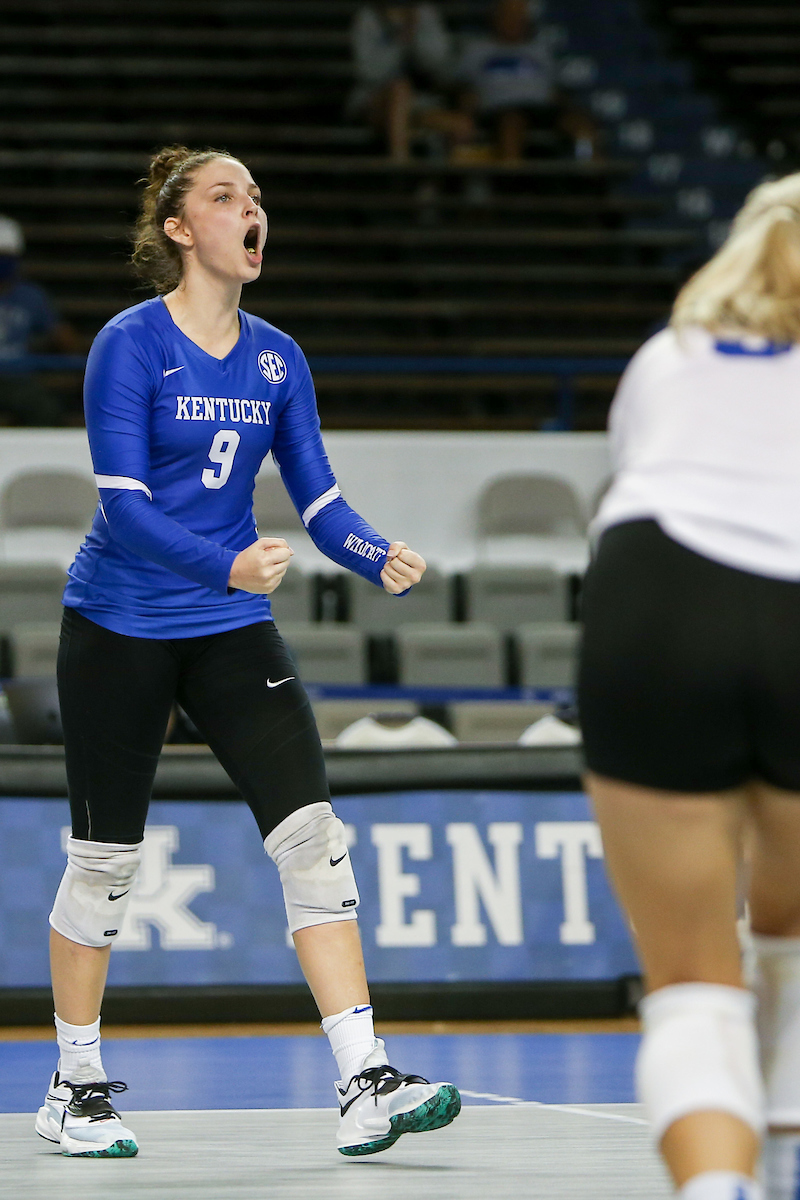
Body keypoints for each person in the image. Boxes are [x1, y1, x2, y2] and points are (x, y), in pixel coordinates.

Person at [35, 144, 461, 1159]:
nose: (250, 209)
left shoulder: (276, 356)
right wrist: (223, 565)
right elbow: (126, 512)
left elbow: (315, 499)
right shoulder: (128, 346)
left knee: (312, 837)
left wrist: (373, 552)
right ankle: (74, 1084)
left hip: (228, 631)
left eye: (257, 195)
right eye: (226, 196)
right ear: (181, 229)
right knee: (105, 863)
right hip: (118, 625)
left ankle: (364, 1079)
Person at [578, 172, 800, 1200]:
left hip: (654, 592)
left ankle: (718, 1186)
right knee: (789, 929)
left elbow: (625, 485)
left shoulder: (664, 359)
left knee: (689, 983)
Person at [454, 0, 596, 162]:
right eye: (509, 16)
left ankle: (591, 175)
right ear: (496, 18)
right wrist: (466, 110)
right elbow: (462, 86)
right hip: (499, 109)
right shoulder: (477, 50)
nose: (514, 22)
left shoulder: (540, 50)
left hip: (541, 108)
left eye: (519, 17)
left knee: (581, 123)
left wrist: (563, 104)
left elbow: (555, 89)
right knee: (512, 122)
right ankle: (511, 179)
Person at [349, 2, 471, 160]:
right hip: (375, 100)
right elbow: (368, 72)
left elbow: (439, 62)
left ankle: (437, 183)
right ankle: (402, 166)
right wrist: (400, 40)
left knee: (461, 125)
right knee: (400, 89)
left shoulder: (425, 13)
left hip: (420, 103)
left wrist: (414, 32)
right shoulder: (369, 17)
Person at [0, 215, 81, 425]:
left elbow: (63, 337)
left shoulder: (30, 296)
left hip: (18, 378)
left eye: (6, 256)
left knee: (45, 410)